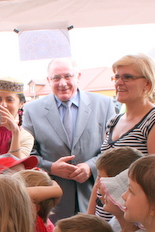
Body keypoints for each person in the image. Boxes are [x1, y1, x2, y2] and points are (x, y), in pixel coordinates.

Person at [22, 58, 117, 223]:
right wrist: (51, 167)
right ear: (48, 80)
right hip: (52, 203)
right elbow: (27, 153)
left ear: (78, 76)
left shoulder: (105, 104)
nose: (62, 83)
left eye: (68, 76)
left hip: (95, 197)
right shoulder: (32, 110)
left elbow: (112, 148)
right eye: (56, 78)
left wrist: (90, 166)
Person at [100, 54, 155, 156]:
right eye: (117, 77)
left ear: (147, 84)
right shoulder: (113, 122)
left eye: (127, 77)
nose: (118, 82)